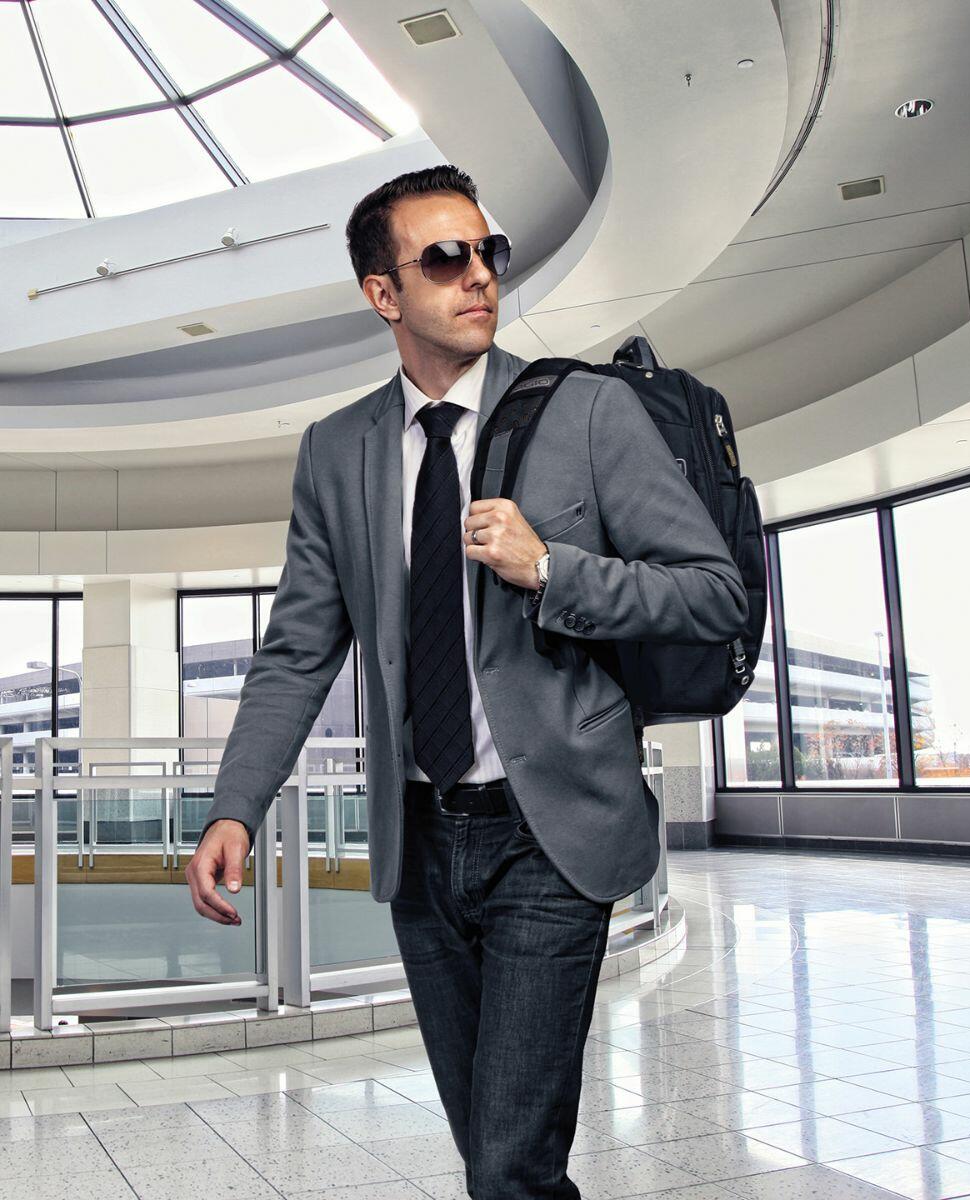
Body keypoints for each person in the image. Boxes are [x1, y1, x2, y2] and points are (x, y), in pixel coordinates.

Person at [186, 163, 748, 1198]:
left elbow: (714, 595)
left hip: (554, 834)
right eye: (445, 258)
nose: (479, 275)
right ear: (384, 294)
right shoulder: (337, 450)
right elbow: (299, 649)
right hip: (423, 840)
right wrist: (236, 804)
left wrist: (552, 570)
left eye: (487, 252)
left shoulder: (587, 413)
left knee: (507, 1167)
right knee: (498, 1158)